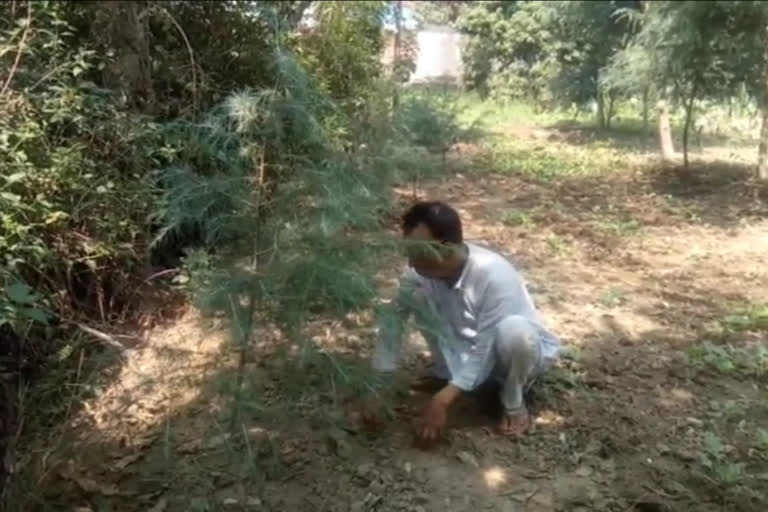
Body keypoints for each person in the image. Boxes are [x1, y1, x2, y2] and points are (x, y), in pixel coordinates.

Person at [366, 201, 560, 445]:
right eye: (409, 253)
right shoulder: (417, 275)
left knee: (515, 332)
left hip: (507, 358)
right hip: (464, 351)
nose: (411, 263)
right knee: (412, 297)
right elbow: (393, 324)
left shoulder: (495, 277)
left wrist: (443, 400)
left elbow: (487, 346)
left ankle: (512, 399)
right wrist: (378, 385)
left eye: (419, 254)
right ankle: (446, 374)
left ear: (447, 249)